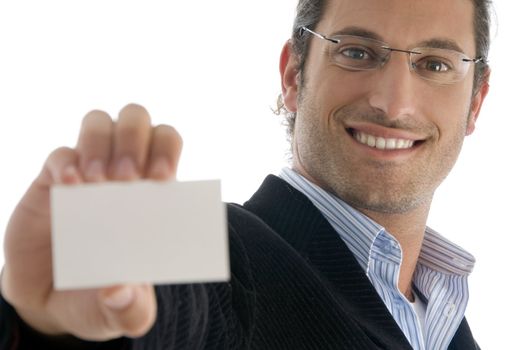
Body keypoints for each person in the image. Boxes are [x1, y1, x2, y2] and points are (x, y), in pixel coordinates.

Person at [0, 0, 491, 348]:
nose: (394, 102)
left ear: (476, 102)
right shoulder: (209, 242)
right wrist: (52, 325)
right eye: (357, 52)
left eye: (435, 64)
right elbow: (153, 310)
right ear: (294, 76)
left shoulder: (446, 322)